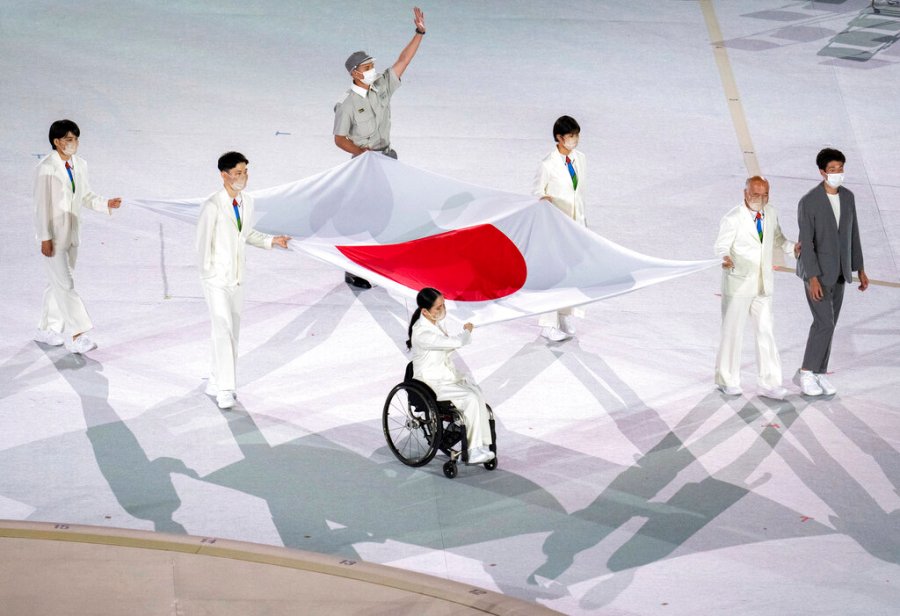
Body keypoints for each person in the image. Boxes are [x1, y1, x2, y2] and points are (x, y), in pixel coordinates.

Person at [333, 6, 426, 289]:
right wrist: (362, 154)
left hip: (387, 158)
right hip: (364, 163)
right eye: (367, 67)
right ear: (354, 73)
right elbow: (339, 138)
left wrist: (419, 33)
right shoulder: (348, 103)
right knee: (362, 216)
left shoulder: (382, 86)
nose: (373, 70)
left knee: (388, 212)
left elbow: (403, 60)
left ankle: (380, 261)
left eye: (373, 65)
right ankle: (354, 268)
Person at [196, 152, 291, 409]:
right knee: (223, 328)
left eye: (245, 171)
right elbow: (202, 244)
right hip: (216, 279)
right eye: (238, 173)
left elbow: (246, 233)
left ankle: (215, 380)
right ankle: (226, 388)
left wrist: (272, 241)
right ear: (224, 175)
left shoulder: (247, 202)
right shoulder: (212, 205)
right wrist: (208, 274)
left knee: (231, 333)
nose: (243, 177)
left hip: (238, 279)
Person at [33, 119, 122, 354]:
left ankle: (47, 328)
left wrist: (105, 203)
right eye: (69, 140)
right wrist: (44, 237)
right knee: (66, 284)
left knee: (58, 283)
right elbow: (41, 206)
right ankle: (77, 335)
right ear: (57, 142)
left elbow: (85, 195)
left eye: (76, 139)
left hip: (72, 234)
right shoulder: (46, 168)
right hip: (53, 237)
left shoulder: (80, 165)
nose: (75, 144)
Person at [714, 176, 799, 399]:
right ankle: (727, 379)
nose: (760, 199)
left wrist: (794, 249)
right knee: (732, 332)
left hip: (763, 285)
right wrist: (724, 257)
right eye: (755, 194)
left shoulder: (770, 213)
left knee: (766, 331)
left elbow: (778, 238)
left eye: (764, 194)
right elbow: (721, 245)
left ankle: (769, 383)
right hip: (739, 284)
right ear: (745, 193)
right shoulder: (733, 218)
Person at [794, 148, 868, 396]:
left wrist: (860, 268)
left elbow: (852, 234)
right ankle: (806, 372)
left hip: (839, 273)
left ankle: (819, 373)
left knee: (831, 323)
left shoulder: (848, 197)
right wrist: (812, 277)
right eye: (833, 170)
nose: (838, 173)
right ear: (822, 172)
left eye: (841, 168)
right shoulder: (809, 201)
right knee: (823, 322)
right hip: (817, 274)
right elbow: (806, 241)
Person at [406, 288, 494, 464]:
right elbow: (455, 342)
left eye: (443, 304)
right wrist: (467, 331)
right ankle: (473, 450)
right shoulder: (422, 333)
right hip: (431, 382)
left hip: (445, 376)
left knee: (476, 393)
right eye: (438, 307)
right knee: (469, 398)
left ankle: (481, 445)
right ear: (425, 311)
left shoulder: (434, 323)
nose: (443, 309)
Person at [532, 115, 587, 341]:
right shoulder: (547, 164)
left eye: (577, 135)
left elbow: (578, 193)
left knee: (571, 272)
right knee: (552, 274)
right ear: (559, 137)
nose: (575, 140)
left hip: (575, 225)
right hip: (554, 227)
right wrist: (544, 199)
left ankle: (564, 314)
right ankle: (547, 323)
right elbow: (536, 191)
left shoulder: (580, 158)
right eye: (571, 136)